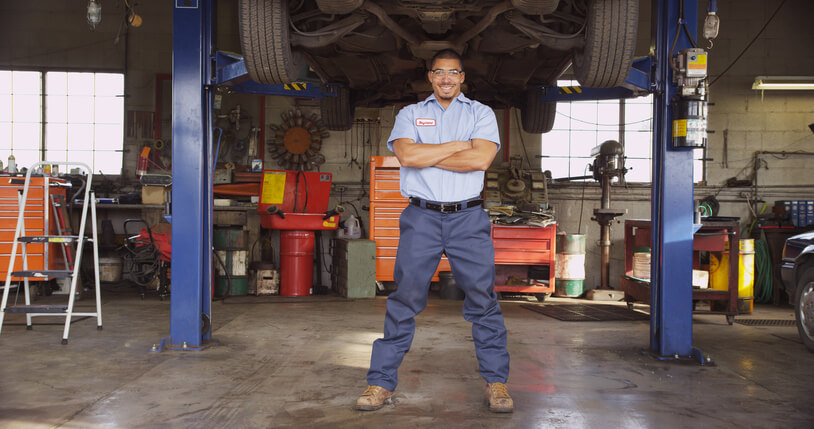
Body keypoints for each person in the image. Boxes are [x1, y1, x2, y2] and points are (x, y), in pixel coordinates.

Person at [356, 49, 513, 413]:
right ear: (430, 76)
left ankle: (497, 382)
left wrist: (430, 152)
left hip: (468, 219)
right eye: (439, 72)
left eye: (453, 73)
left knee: (483, 300)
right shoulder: (409, 114)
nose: (446, 79)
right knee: (404, 300)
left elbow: (480, 159)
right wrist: (459, 145)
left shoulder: (481, 113)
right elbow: (407, 157)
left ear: (462, 78)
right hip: (421, 218)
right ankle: (379, 383)